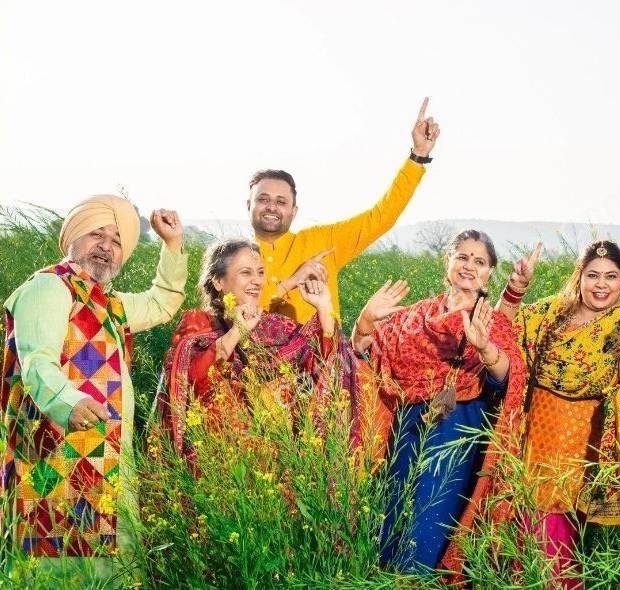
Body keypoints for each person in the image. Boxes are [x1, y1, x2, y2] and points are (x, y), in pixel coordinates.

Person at [1, 196, 186, 571]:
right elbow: (37, 360)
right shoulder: (49, 288)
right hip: (53, 455)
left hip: (107, 456)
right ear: (71, 239)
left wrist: (172, 245)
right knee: (59, 562)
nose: (106, 245)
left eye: (117, 240)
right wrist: (67, 401)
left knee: (109, 565)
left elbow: (162, 303)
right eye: (96, 234)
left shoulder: (110, 304)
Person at [351, 229, 527, 576]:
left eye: (479, 261)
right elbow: (367, 358)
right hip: (408, 431)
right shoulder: (412, 317)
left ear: (490, 273)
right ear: (447, 264)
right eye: (462, 257)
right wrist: (365, 323)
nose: (468, 265)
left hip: (458, 433)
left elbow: (509, 378)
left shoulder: (493, 323)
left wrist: (484, 347)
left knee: (429, 524)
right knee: (393, 514)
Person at [496, 240, 620, 588]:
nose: (601, 285)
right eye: (593, 275)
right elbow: (501, 330)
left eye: (611, 277)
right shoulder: (553, 312)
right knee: (524, 529)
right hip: (535, 436)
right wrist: (515, 289)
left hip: (582, 443)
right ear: (579, 277)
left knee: (556, 537)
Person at [156, 239, 358, 465]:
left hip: (277, 461)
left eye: (260, 272)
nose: (257, 281)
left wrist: (324, 307)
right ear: (218, 281)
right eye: (246, 273)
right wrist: (237, 332)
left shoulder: (277, 325)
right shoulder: (198, 324)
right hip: (218, 461)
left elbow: (322, 365)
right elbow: (190, 382)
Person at [251, 98, 441, 323]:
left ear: (294, 211)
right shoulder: (236, 259)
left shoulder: (322, 242)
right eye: (263, 199)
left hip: (322, 357)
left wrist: (417, 157)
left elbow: (381, 217)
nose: (272, 206)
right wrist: (291, 281)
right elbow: (235, 319)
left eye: (281, 201)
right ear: (249, 206)